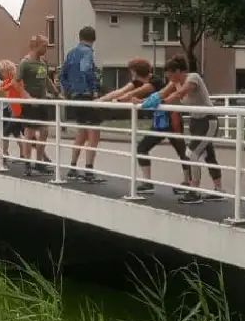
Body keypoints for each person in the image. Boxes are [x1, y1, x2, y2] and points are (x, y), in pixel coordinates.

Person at [100, 57, 190, 194]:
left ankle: (188, 182)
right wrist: (100, 100)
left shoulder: (154, 81)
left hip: (172, 119)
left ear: (134, 72)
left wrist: (121, 99)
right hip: (159, 121)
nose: (131, 74)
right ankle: (147, 183)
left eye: (131, 71)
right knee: (142, 147)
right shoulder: (137, 81)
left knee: (181, 150)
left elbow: (136, 92)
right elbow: (121, 91)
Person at [150, 55, 225, 204]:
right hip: (195, 122)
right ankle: (219, 190)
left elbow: (180, 93)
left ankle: (194, 192)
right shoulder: (175, 82)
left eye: (170, 75)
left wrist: (163, 101)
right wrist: (145, 101)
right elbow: (162, 92)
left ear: (178, 71)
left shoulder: (193, 78)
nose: (169, 79)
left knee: (191, 154)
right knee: (208, 155)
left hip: (207, 121)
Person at [60, 26, 103, 181]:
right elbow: (86, 71)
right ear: (94, 39)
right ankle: (89, 170)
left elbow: (62, 75)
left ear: (80, 37)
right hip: (86, 96)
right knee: (94, 133)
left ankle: (72, 167)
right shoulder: (87, 52)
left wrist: (69, 90)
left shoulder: (71, 53)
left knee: (81, 132)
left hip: (75, 97)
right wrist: (94, 90)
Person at [17, 36, 55, 176]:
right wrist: (27, 96)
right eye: (44, 46)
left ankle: (39, 162)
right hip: (29, 104)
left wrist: (56, 92)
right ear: (36, 45)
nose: (46, 48)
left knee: (44, 131)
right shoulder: (25, 63)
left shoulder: (43, 63)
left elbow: (46, 80)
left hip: (42, 102)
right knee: (29, 133)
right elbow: (16, 82)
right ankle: (27, 164)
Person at [0, 59, 27, 161]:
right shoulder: (7, 80)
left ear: (9, 70)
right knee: (20, 133)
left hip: (20, 112)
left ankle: (3, 155)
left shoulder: (15, 80)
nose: (1, 74)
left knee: (6, 133)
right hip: (15, 112)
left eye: (2, 71)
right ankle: (23, 155)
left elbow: (1, 90)